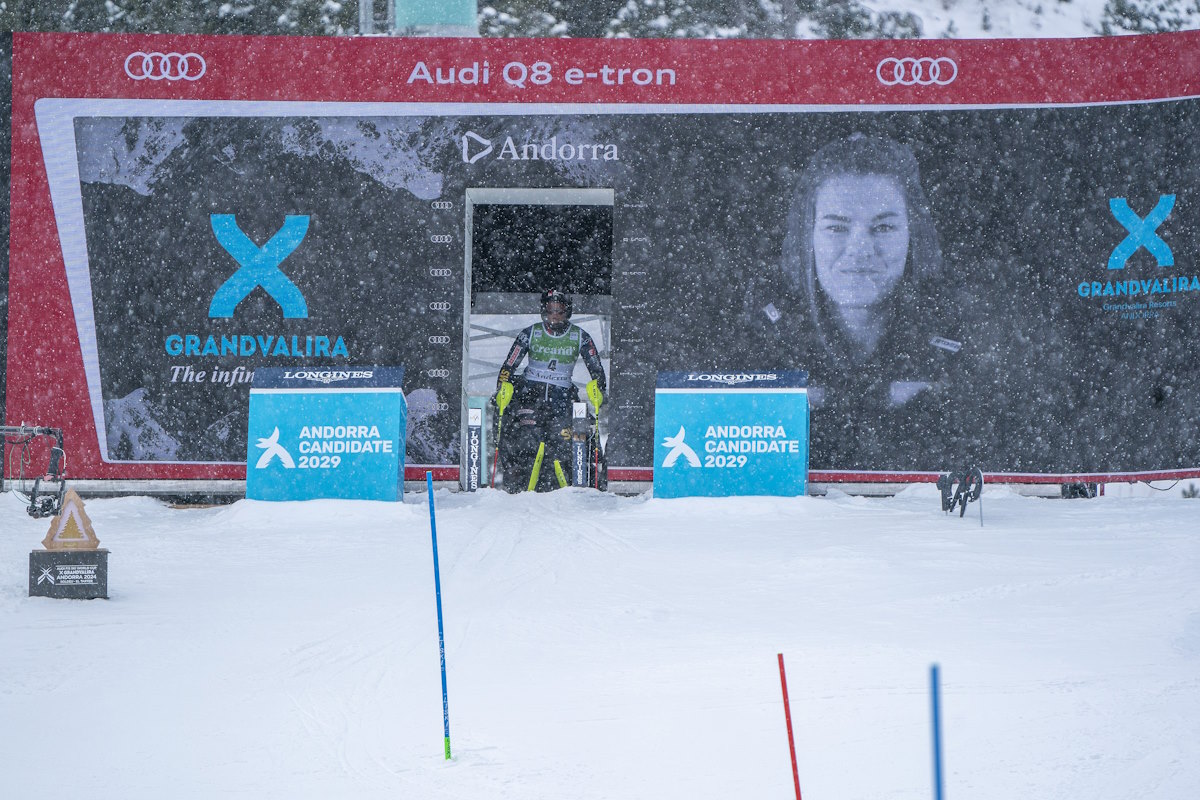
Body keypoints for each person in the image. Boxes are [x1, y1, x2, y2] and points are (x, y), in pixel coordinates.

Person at [752, 132, 968, 471]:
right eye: (837, 228)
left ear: (913, 235)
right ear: (807, 236)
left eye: (883, 228)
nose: (860, 249)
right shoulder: (758, 341)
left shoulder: (963, 341)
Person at [494, 289, 607, 492]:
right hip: (530, 396)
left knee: (568, 443)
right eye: (550, 310)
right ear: (543, 311)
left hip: (562, 398)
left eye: (559, 310)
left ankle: (574, 485)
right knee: (521, 439)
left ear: (567, 312)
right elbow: (508, 367)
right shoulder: (530, 333)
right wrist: (503, 388)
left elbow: (597, 370)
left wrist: (599, 388)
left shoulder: (580, 336)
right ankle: (517, 481)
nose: (554, 315)